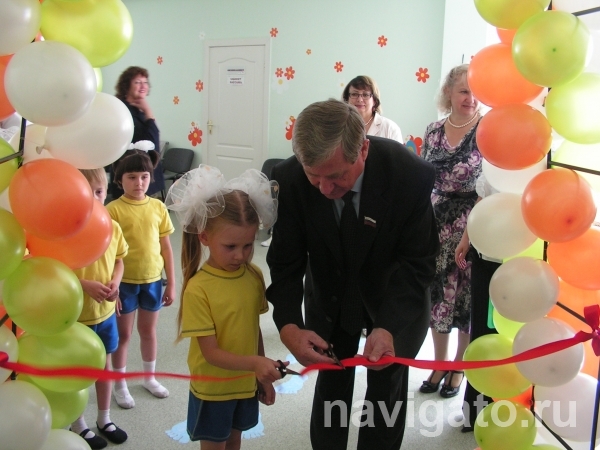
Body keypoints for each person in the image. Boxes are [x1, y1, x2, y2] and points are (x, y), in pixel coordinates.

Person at [266, 99, 439, 450]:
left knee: (386, 394)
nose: (324, 189)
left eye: (336, 176)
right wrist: (289, 326)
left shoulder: (410, 175)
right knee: (331, 386)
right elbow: (285, 263)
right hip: (330, 295)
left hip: (393, 296)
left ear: (363, 150)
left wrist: (388, 327)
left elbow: (418, 262)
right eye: (314, 176)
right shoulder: (289, 179)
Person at [165, 165, 281, 449]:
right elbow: (211, 353)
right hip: (213, 389)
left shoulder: (253, 276)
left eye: (248, 245)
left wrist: (262, 376)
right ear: (204, 237)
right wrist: (256, 364)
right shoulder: (199, 289)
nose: (240, 255)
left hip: (245, 384)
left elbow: (254, 330)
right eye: (230, 246)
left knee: (235, 441)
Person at [419, 64, 482, 399]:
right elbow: (422, 179)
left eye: (476, 92)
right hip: (435, 223)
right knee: (437, 298)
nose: (470, 98)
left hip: (473, 225)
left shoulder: (487, 130)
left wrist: (469, 235)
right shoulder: (433, 130)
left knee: (465, 300)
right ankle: (439, 363)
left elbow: (489, 187)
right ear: (448, 92)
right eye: (463, 91)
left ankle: (459, 366)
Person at [106, 149, 176, 409]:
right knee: (123, 335)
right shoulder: (113, 210)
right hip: (124, 283)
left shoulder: (158, 207)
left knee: (148, 331)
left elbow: (166, 247)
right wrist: (112, 286)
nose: (139, 183)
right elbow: (108, 253)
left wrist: (172, 282)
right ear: (119, 179)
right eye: (132, 177)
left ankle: (149, 377)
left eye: (144, 177)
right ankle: (120, 384)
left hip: (153, 280)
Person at [71, 168, 129, 449]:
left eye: (99, 192)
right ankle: (78, 423)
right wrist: (84, 285)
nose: (94, 198)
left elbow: (119, 260)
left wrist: (116, 283)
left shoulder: (112, 226)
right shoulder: (66, 230)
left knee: (104, 367)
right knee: (79, 372)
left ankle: (104, 419)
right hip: (75, 317)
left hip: (104, 314)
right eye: (86, 192)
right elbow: (55, 271)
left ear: (106, 192)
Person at [457, 174, 501, 431]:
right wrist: (466, 238)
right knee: (482, 334)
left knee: (507, 337)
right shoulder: (494, 164)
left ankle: (505, 408)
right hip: (486, 257)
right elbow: (481, 202)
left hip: (522, 261)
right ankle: (474, 409)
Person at [111, 66, 164, 199]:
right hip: (131, 176)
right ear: (126, 86)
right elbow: (150, 142)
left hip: (143, 174)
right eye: (137, 82)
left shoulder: (137, 110)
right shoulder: (122, 110)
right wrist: (149, 112)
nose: (143, 86)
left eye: (145, 82)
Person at [342, 75, 404, 143]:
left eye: (365, 95)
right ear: (347, 99)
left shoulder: (390, 128)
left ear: (375, 100)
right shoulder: (338, 126)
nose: (359, 99)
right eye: (354, 94)